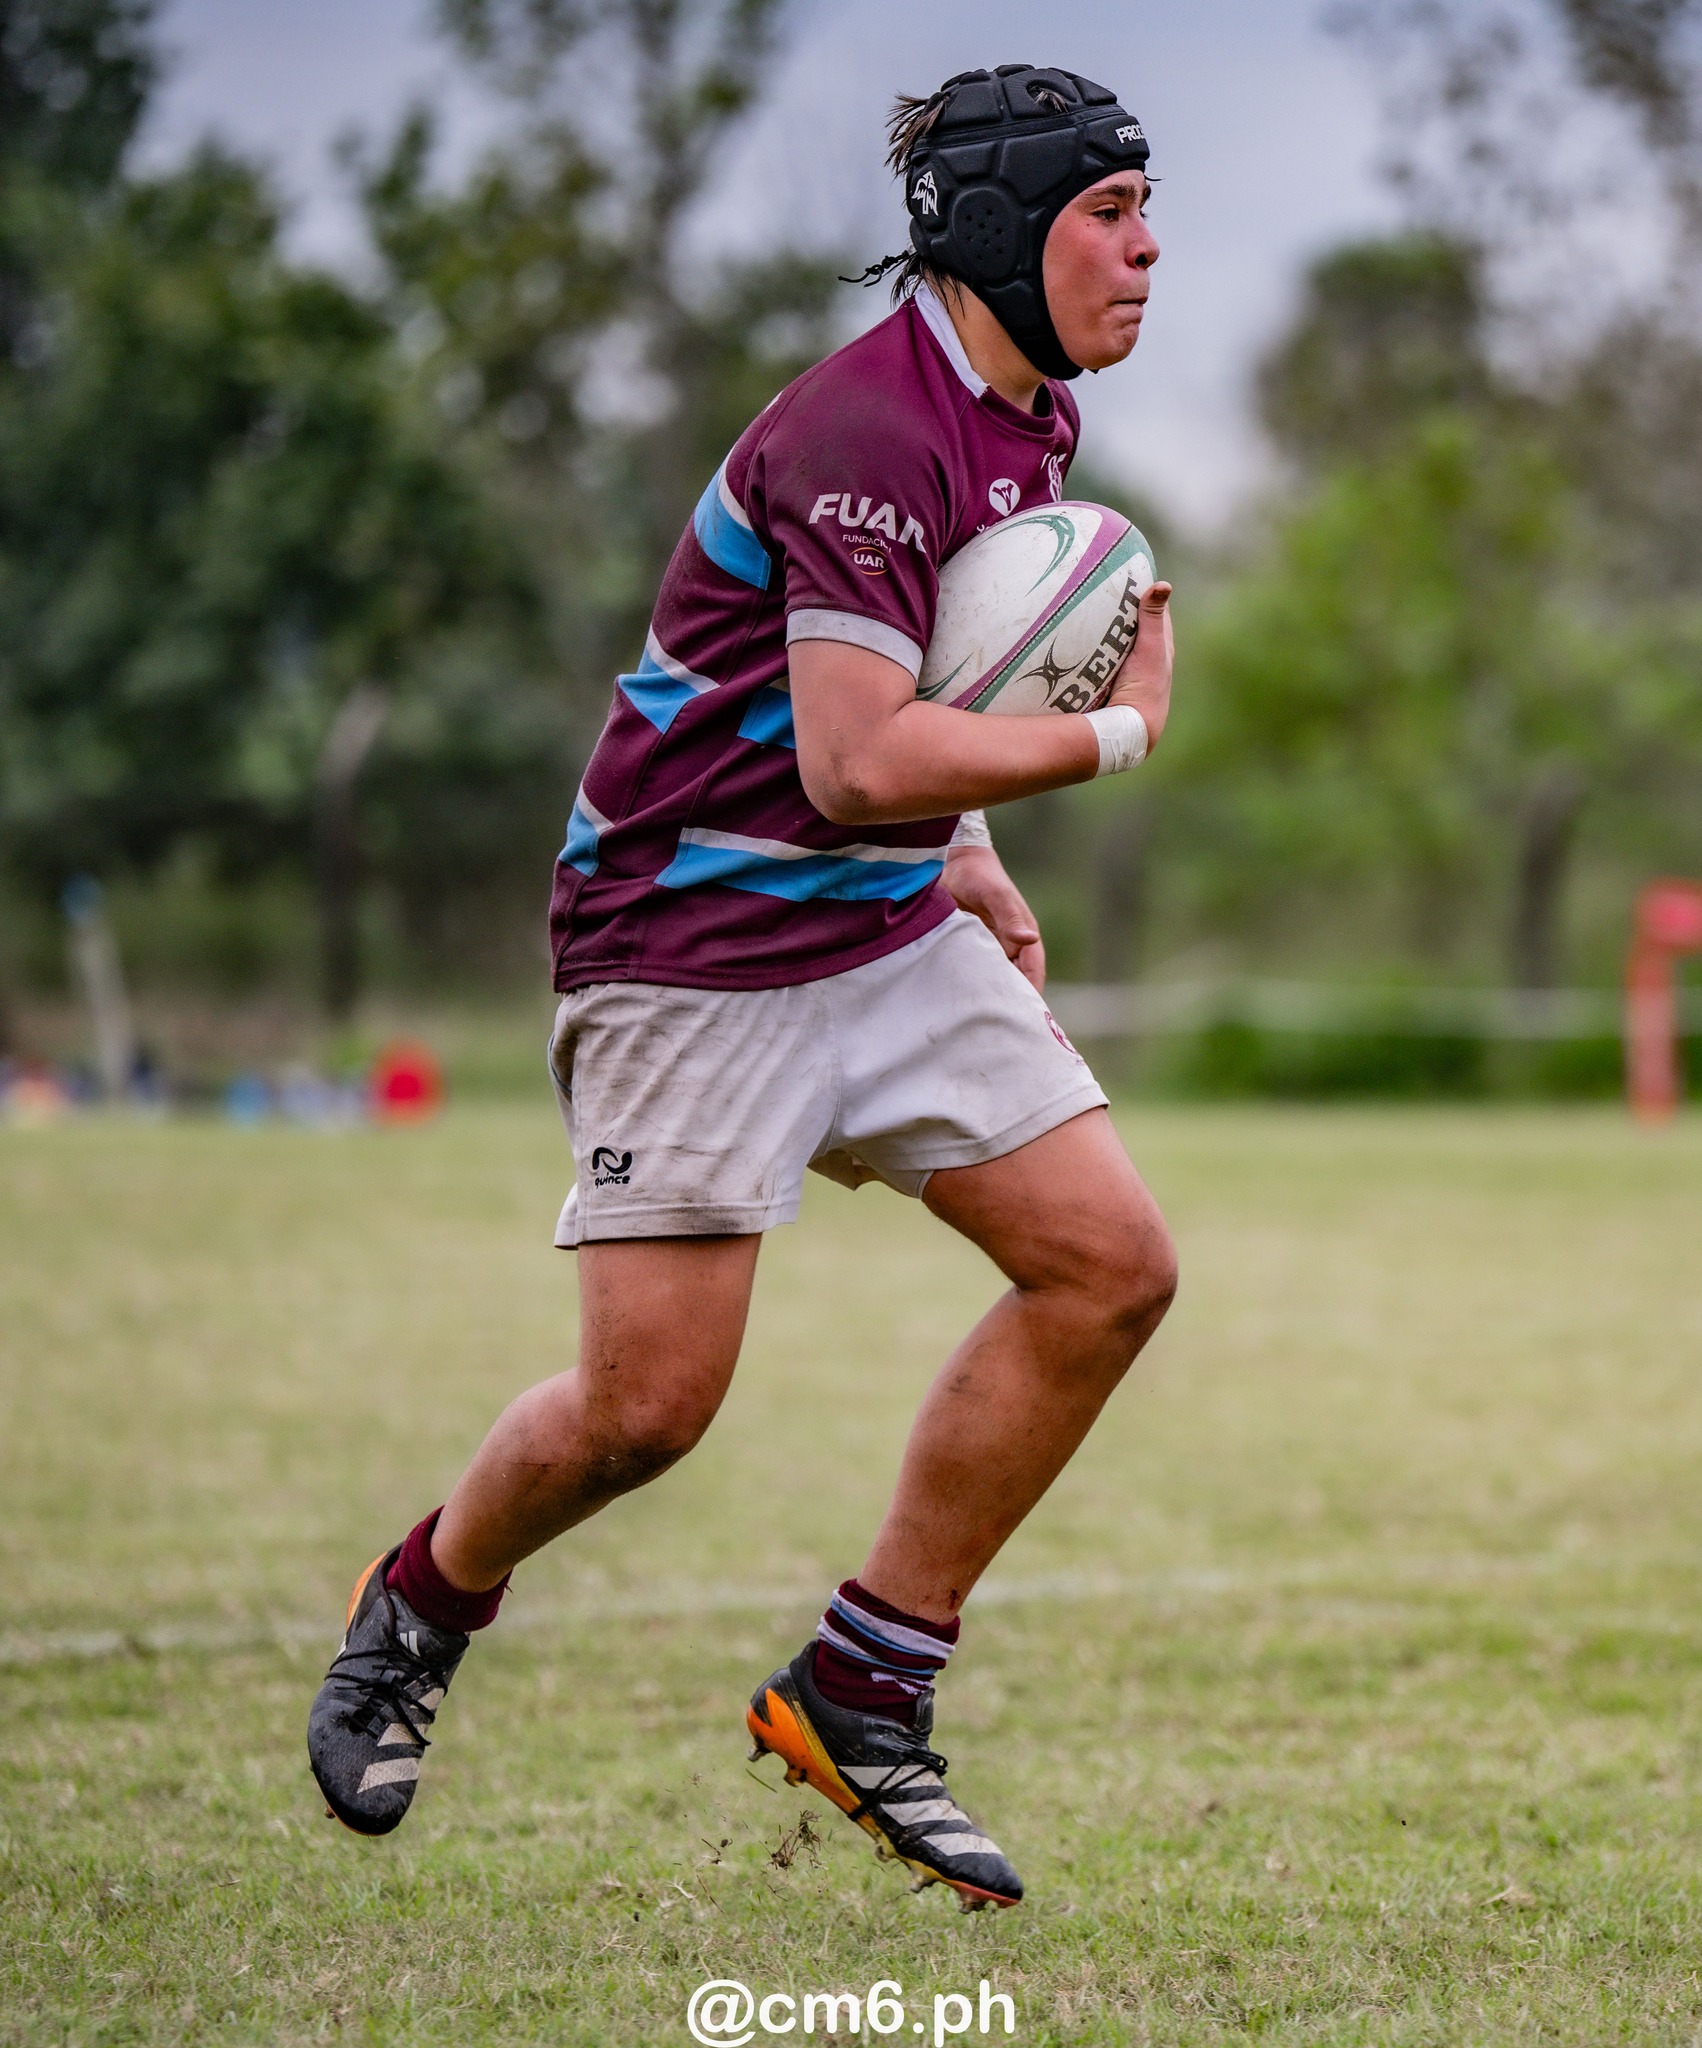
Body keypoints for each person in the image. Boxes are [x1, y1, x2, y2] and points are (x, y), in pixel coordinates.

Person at [308, 62, 1177, 1913]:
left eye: (1144, 207)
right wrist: (1108, 741)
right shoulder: (864, 429)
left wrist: (970, 857)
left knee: (1110, 1269)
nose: (1146, 246)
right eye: (1109, 211)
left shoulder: (1034, 423)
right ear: (1010, 235)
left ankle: (866, 1690)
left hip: (874, 927)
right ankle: (422, 1602)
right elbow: (861, 758)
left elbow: (916, 731)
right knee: (646, 1415)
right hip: (686, 950)